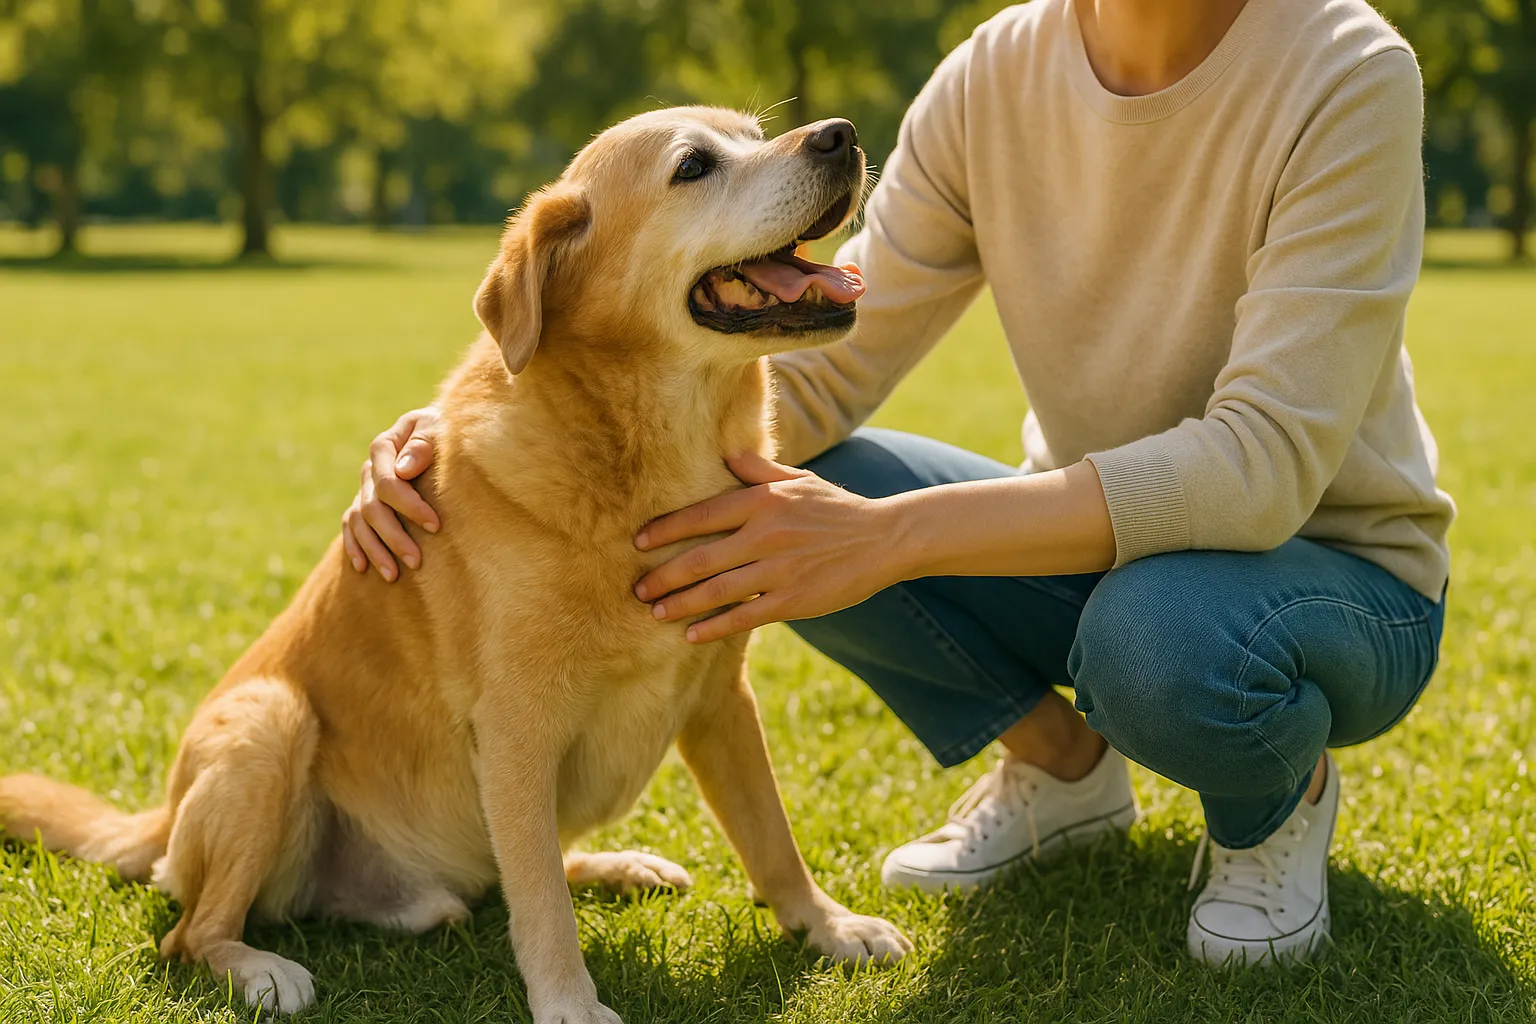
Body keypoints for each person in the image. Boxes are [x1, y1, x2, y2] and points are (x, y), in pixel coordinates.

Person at [339, 0, 1453, 966]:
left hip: (1335, 574)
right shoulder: (995, 75)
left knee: (1147, 638)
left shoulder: (1346, 70)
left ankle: (1272, 811)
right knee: (779, 484)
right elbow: (818, 376)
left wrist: (889, 538)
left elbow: (1261, 470)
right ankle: (1064, 771)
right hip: (1106, 553)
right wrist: (468, 441)